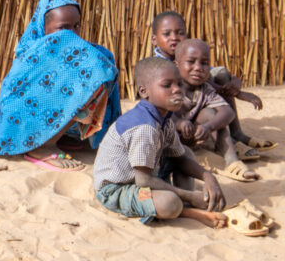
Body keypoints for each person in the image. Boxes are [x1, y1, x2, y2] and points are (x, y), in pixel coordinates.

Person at [0, 0, 120, 171]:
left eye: (76, 26)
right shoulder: (31, 56)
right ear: (43, 27)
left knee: (103, 62)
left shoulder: (78, 56)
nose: (71, 35)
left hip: (52, 121)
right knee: (96, 69)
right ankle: (43, 146)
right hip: (25, 124)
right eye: (63, 28)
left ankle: (60, 136)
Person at [94, 56, 227, 227]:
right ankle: (185, 207)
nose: (177, 90)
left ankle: (185, 201)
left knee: (185, 152)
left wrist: (209, 177)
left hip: (144, 173)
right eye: (167, 85)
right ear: (144, 91)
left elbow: (180, 158)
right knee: (169, 203)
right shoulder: (144, 127)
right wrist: (187, 195)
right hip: (117, 189)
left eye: (179, 84)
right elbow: (143, 180)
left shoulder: (165, 119)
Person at [151, 10, 271, 155]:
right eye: (167, 34)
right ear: (154, 40)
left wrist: (233, 81)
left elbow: (209, 72)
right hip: (179, 120)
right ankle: (229, 143)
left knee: (221, 73)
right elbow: (201, 81)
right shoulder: (157, 65)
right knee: (210, 86)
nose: (174, 38)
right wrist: (237, 94)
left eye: (180, 33)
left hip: (197, 107)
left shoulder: (187, 55)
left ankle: (236, 133)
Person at [173, 39, 259, 181]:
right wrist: (179, 124)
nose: (198, 67)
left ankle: (232, 161)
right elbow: (159, 114)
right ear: (177, 65)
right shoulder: (170, 88)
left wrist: (208, 126)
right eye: (191, 62)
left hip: (192, 139)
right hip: (170, 143)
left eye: (204, 63)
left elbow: (228, 112)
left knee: (211, 115)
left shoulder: (205, 89)